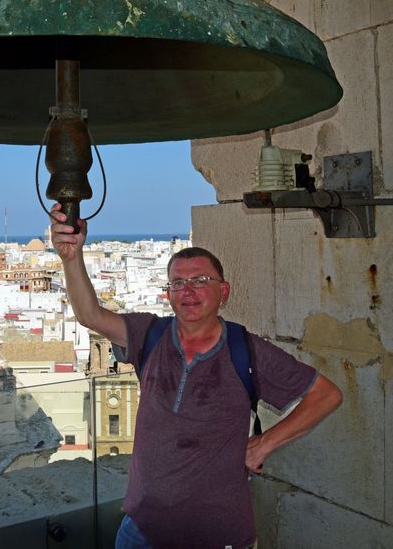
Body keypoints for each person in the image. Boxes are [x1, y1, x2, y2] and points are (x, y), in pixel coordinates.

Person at [50, 206, 342, 549]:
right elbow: (90, 315)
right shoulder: (150, 334)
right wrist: (71, 257)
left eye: (201, 280)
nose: (188, 290)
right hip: (142, 529)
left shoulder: (246, 349)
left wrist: (265, 444)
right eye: (179, 282)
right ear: (168, 293)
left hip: (217, 535)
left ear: (224, 291)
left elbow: (326, 395)